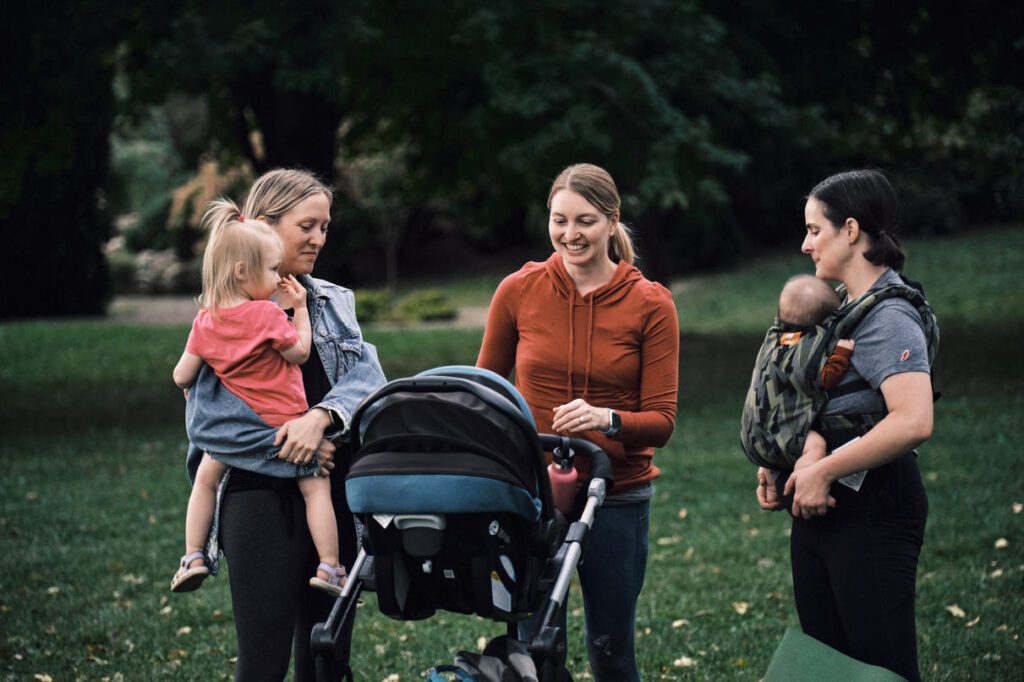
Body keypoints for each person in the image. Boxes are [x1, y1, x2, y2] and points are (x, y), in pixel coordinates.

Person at [182, 169, 386, 681]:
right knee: (262, 663)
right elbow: (206, 423)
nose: (319, 238)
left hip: (333, 492)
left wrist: (319, 420)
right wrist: (282, 446)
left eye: (325, 226)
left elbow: (369, 374)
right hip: (257, 498)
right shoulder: (221, 314)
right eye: (307, 226)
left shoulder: (334, 300)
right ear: (261, 226)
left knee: (326, 660)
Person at [477, 163, 679, 681]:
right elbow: (485, 390)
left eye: (585, 221)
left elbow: (661, 421)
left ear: (613, 221)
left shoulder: (651, 304)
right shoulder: (519, 290)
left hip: (616, 495)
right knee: (534, 651)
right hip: (532, 496)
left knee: (610, 652)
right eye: (559, 220)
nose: (570, 235)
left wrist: (606, 419)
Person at [756, 169, 937, 682]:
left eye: (816, 230)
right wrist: (785, 463)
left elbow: (914, 419)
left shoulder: (889, 314)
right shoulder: (842, 311)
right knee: (827, 667)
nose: (805, 244)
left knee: (882, 670)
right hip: (826, 506)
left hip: (875, 506)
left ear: (851, 230)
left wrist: (823, 470)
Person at [169, 202, 346, 598]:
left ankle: (194, 555)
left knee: (205, 480)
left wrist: (193, 385)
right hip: (285, 420)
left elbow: (182, 375)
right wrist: (299, 309)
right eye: (269, 270)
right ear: (242, 272)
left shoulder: (205, 321)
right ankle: (331, 566)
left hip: (235, 430)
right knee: (315, 486)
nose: (275, 277)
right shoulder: (267, 316)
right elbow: (299, 352)